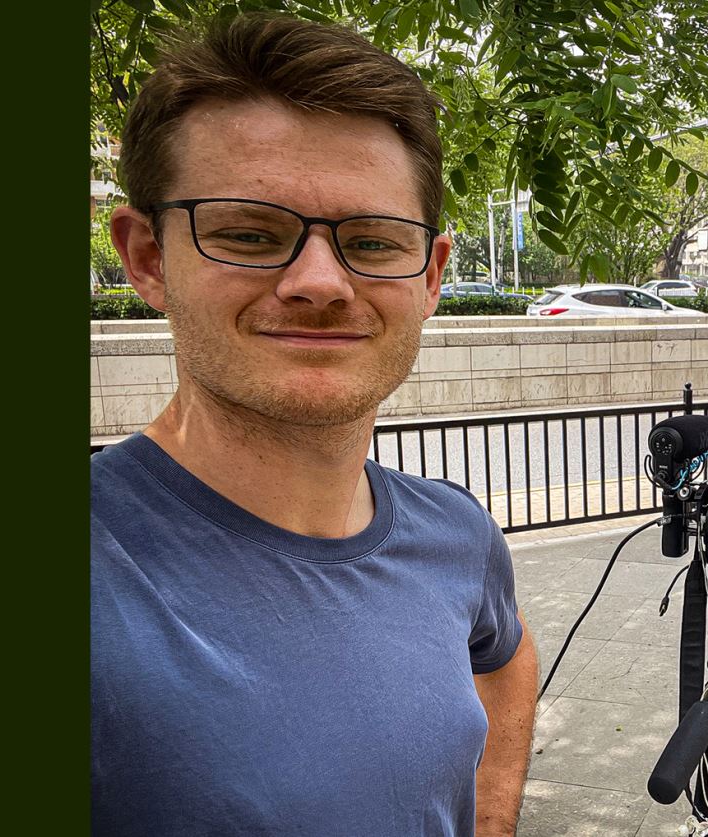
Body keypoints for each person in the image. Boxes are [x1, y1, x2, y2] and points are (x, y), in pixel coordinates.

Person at [90, 15, 536, 836]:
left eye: (371, 241)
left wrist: (491, 815)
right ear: (147, 256)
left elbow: (505, 664)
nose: (322, 282)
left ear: (431, 276)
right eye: (251, 233)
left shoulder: (459, 533)